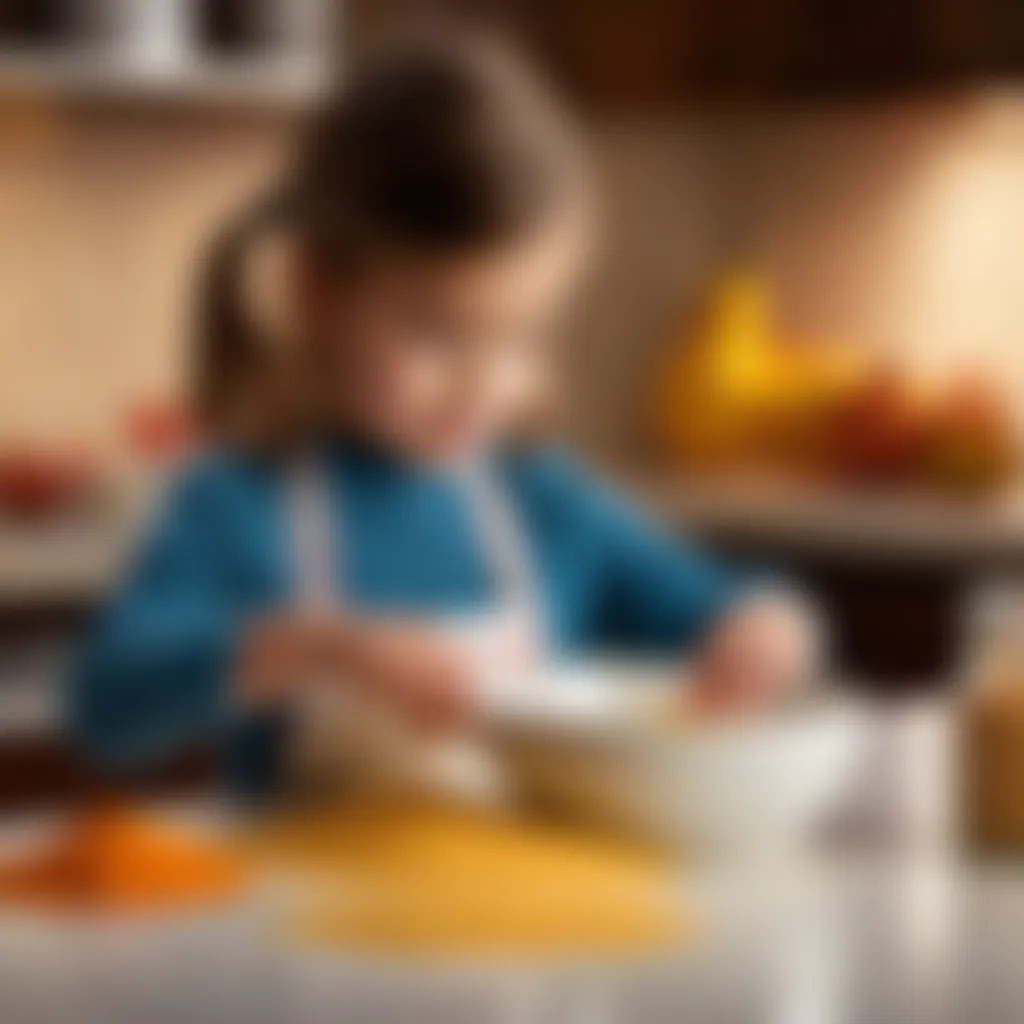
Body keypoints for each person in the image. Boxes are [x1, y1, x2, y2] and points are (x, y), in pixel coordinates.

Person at [69, 34, 819, 799]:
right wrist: (314, 649)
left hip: (526, 911)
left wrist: (762, 630)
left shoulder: (545, 505)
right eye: (436, 331)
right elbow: (106, 706)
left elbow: (715, 603)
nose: (482, 382)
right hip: (301, 917)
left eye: (523, 335)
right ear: (318, 294)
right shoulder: (237, 506)